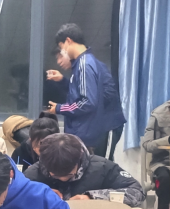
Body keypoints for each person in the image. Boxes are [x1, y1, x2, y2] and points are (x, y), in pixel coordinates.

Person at [44, 23, 125, 160]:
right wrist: (63, 81)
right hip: (93, 129)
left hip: (104, 127)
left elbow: (89, 101)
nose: (61, 54)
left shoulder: (85, 64)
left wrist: (60, 108)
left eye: (61, 48)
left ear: (68, 41)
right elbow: (83, 93)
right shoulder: (82, 64)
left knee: (101, 167)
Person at [25, 133, 145, 208]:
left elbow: (137, 192)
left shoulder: (102, 168)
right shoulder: (33, 173)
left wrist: (92, 197)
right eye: (55, 176)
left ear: (79, 160)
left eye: (69, 174)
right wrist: (39, 194)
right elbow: (15, 200)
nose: (63, 179)